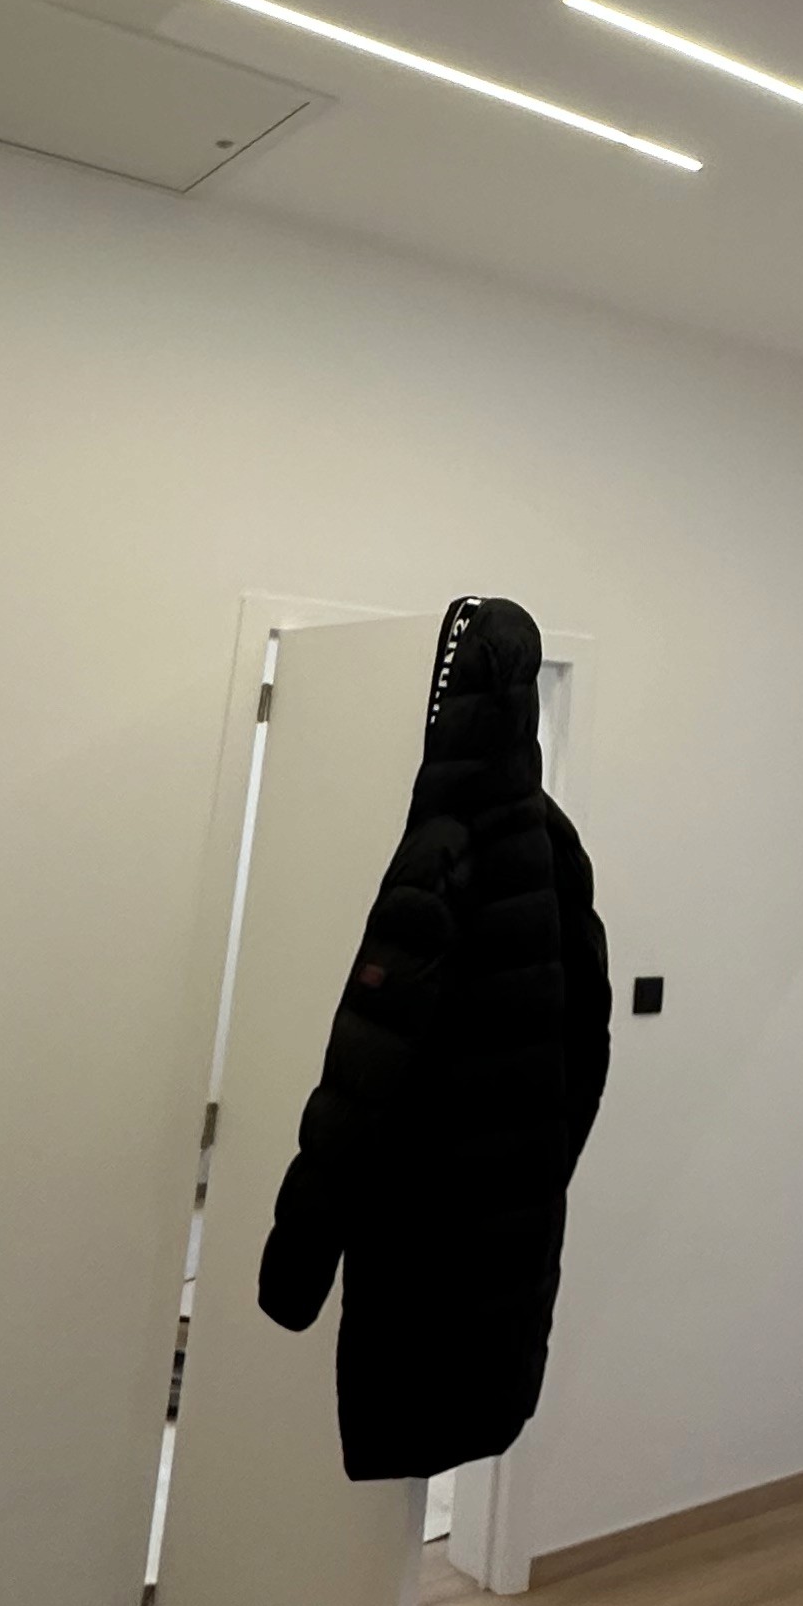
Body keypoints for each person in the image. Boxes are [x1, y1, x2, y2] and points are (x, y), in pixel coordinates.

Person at [257, 594, 612, 1478]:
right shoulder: (554, 838)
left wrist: (294, 1270)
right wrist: (544, 1163)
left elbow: (360, 1081)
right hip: (513, 1214)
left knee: (410, 1391)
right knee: (480, 1378)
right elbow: (591, 1034)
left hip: (421, 1218)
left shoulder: (441, 852)